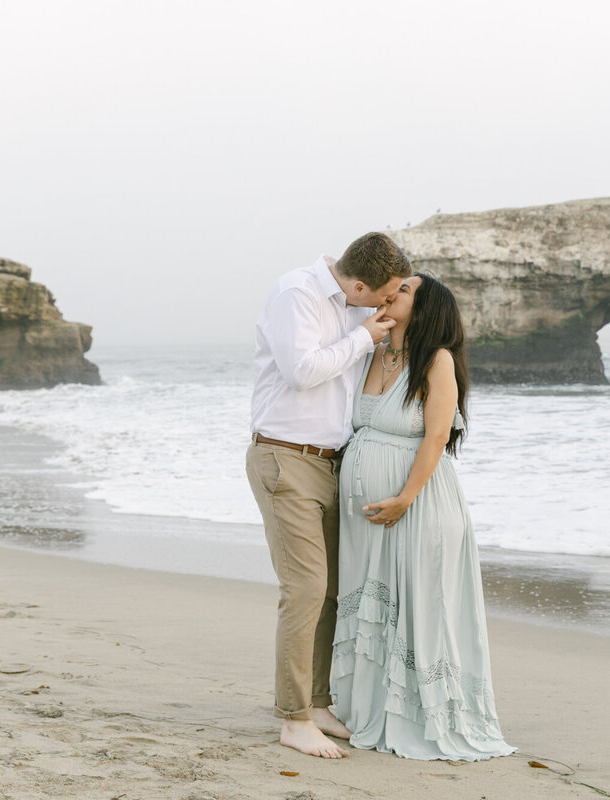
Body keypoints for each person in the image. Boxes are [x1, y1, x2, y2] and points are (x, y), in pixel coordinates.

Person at [331, 273, 516, 760]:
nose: (393, 293)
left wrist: (404, 498)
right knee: (377, 609)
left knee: (418, 609)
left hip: (418, 505)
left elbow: (436, 437)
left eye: (405, 291)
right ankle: (367, 710)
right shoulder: (373, 353)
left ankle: (422, 717)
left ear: (427, 307)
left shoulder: (437, 361)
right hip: (369, 518)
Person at [246, 232, 412, 759]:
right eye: (384, 295)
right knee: (306, 587)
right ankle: (293, 719)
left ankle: (316, 702)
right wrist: (364, 337)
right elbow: (302, 372)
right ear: (359, 283)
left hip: (331, 464)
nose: (386, 305)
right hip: (285, 457)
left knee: (334, 589)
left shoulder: (353, 308)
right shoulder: (297, 293)